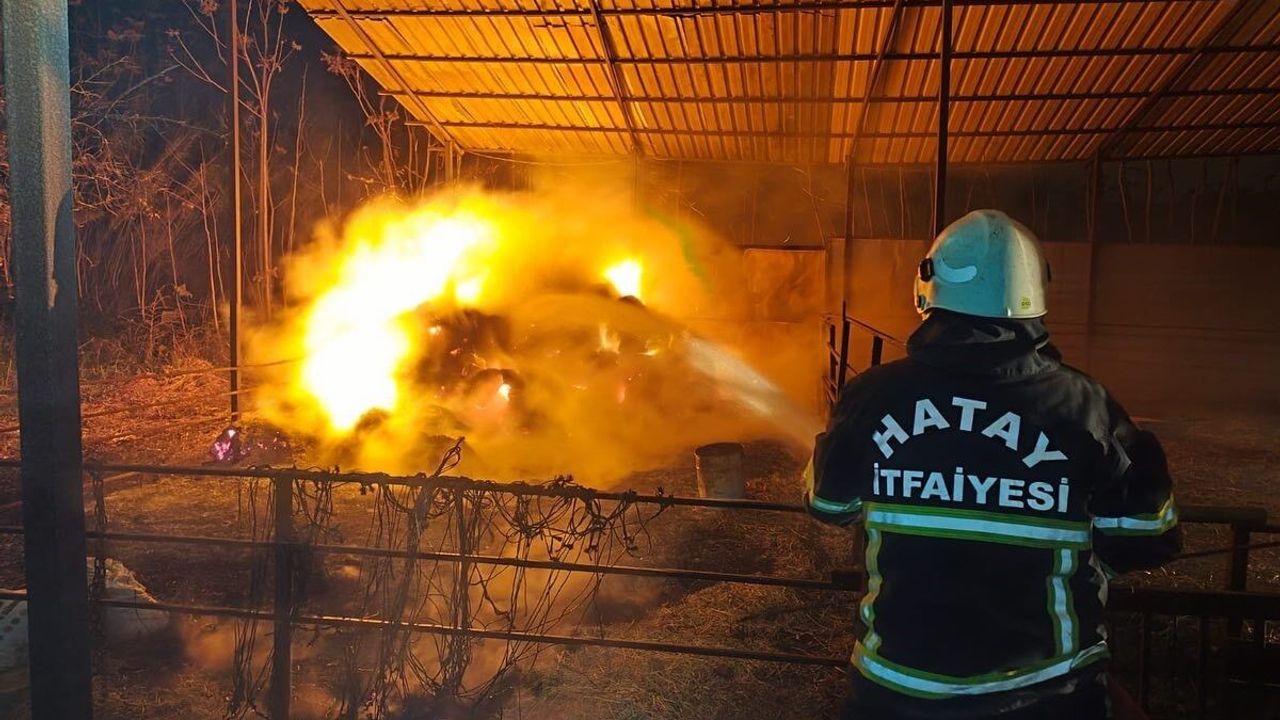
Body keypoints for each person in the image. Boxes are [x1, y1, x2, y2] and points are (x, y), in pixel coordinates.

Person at [805, 210, 1180, 719]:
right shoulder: (1087, 407)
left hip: (897, 693)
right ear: (1036, 292)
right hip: (1046, 694)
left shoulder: (873, 397)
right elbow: (1149, 533)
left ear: (926, 288)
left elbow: (829, 505)